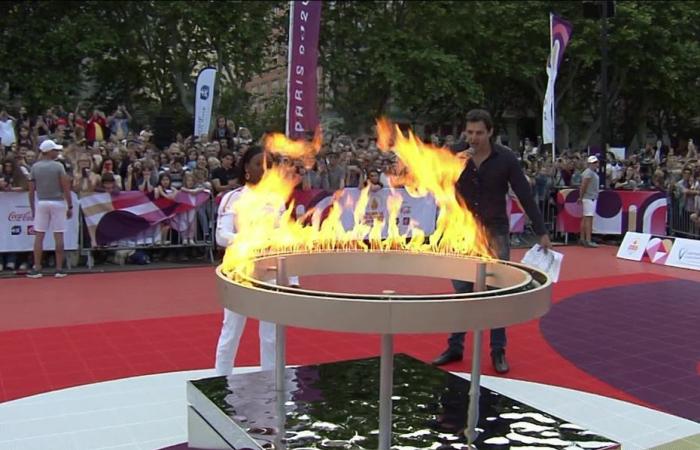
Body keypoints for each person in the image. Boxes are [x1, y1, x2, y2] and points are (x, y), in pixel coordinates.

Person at [432, 109, 552, 374]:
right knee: (462, 291)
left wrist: (541, 230)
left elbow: (524, 194)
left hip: (495, 231)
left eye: (479, 133)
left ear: (490, 132)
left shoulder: (506, 158)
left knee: (497, 291)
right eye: (469, 132)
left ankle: (498, 350)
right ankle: (455, 346)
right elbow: (436, 186)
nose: (473, 138)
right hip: (461, 231)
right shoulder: (455, 154)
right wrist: (452, 167)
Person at [214, 146, 278, 375]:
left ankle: (271, 381)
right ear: (246, 168)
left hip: (269, 270)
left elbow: (284, 237)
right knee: (231, 330)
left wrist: (291, 277)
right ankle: (221, 380)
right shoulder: (232, 198)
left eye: (268, 165)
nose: (263, 170)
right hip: (239, 269)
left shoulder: (276, 200)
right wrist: (247, 240)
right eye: (257, 164)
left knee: (271, 335)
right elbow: (221, 236)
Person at [27, 140, 74, 278]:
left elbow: (31, 190)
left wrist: (32, 207)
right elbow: (66, 187)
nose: (57, 152)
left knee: (39, 236)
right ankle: (59, 269)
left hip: (42, 202)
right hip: (57, 202)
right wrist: (69, 205)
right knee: (58, 235)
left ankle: (37, 268)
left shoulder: (35, 167)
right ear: (48, 152)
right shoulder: (58, 166)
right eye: (55, 150)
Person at [578, 155, 601, 247]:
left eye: (596, 162)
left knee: (585, 218)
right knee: (588, 218)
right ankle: (588, 240)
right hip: (589, 197)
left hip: (589, 197)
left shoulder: (589, 173)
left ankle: (583, 238)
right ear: (589, 164)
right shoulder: (589, 173)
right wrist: (581, 197)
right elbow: (583, 186)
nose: (596, 164)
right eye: (594, 163)